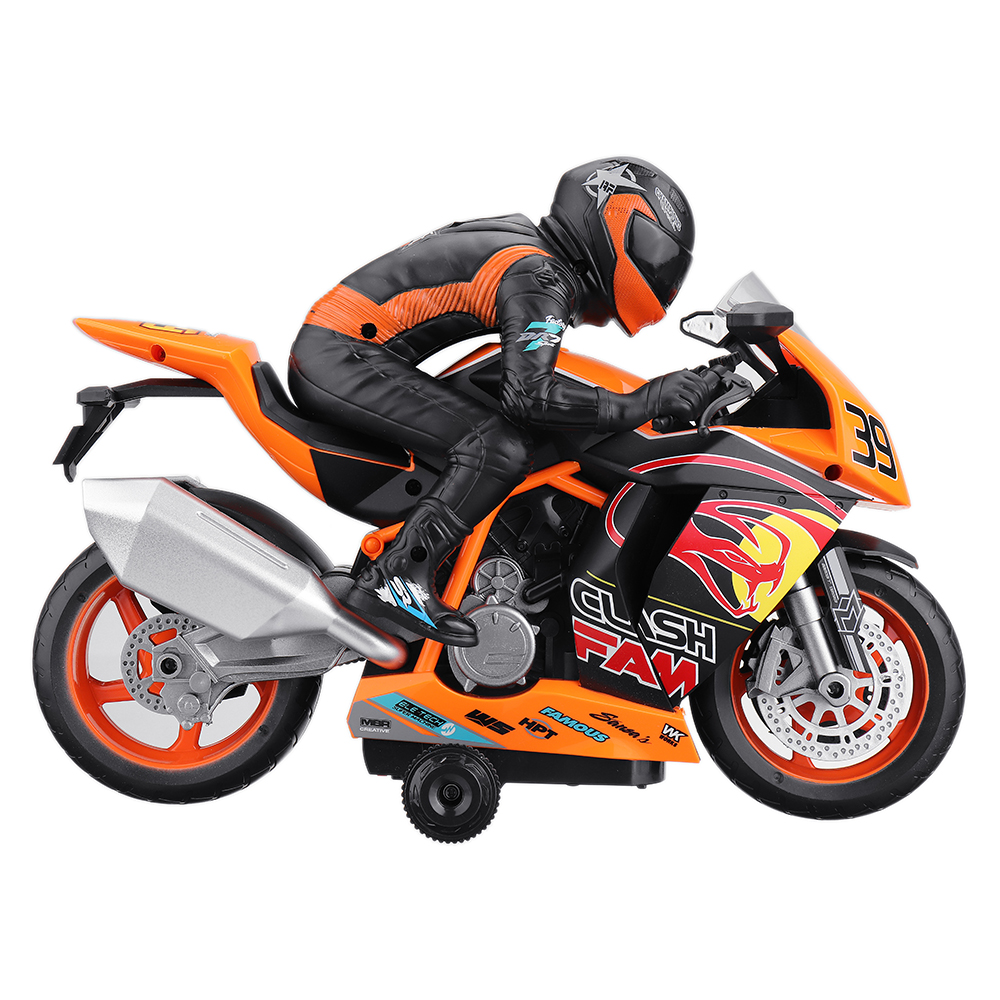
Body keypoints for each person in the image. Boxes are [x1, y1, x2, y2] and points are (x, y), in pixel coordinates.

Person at [288, 157, 712, 646]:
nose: (659, 271)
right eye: (654, 251)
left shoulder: (529, 250)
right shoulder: (541, 277)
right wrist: (638, 403)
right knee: (496, 447)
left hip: (340, 351)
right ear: (614, 222)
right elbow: (529, 396)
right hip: (339, 356)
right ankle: (396, 576)